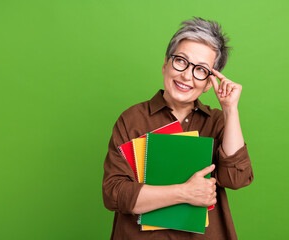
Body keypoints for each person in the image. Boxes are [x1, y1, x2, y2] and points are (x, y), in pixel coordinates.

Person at [102, 17, 254, 240]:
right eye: (181, 61)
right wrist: (185, 193)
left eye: (201, 70)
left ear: (208, 83)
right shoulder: (131, 120)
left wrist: (230, 110)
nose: (186, 75)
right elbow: (114, 194)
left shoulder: (217, 121)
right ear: (166, 64)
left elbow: (236, 178)